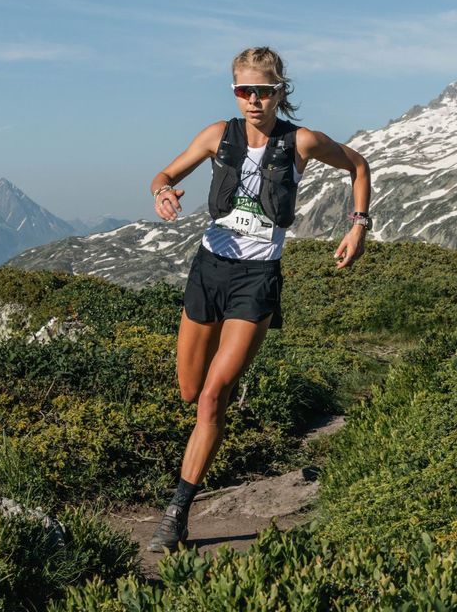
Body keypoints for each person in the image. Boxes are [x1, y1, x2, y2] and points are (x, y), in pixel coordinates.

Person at [146, 46, 372, 552]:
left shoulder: (302, 142)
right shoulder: (215, 136)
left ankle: (177, 514)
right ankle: (209, 434)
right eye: (243, 91)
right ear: (234, 92)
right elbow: (164, 175)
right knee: (189, 390)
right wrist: (162, 193)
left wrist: (358, 226)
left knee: (211, 396)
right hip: (208, 269)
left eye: (263, 91)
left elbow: (358, 166)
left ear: (279, 92)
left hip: (257, 279)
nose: (253, 100)